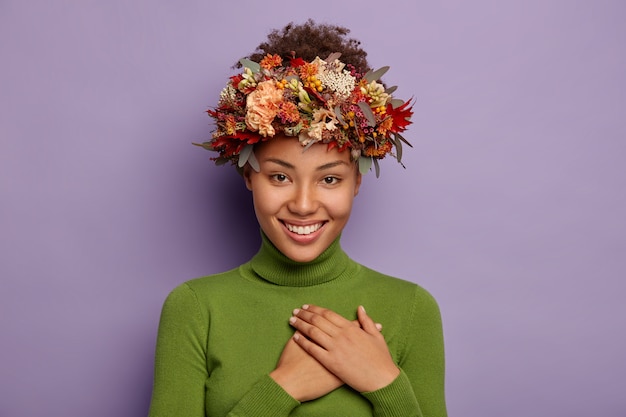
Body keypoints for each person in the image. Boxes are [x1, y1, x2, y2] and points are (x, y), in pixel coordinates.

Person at [148, 20, 447, 417]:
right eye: (279, 176)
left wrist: (383, 382)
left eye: (329, 179)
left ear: (356, 181)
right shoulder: (195, 309)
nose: (304, 205)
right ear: (248, 175)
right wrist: (285, 386)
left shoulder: (412, 308)